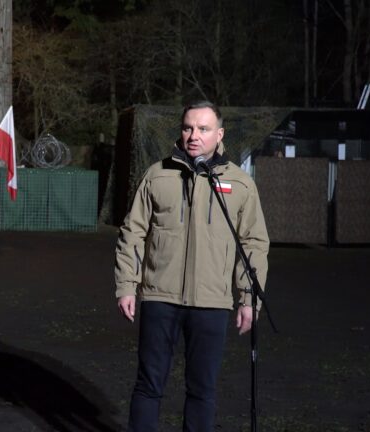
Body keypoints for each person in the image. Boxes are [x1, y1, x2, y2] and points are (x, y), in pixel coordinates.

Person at [115, 101, 269, 431]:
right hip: (159, 298)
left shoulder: (240, 184)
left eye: (203, 129)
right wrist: (127, 285)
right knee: (148, 386)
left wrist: (248, 299)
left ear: (220, 133)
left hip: (212, 303)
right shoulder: (158, 175)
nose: (193, 135)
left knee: (202, 391)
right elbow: (133, 232)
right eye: (187, 127)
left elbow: (252, 245)